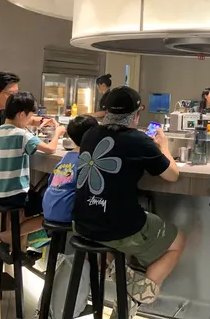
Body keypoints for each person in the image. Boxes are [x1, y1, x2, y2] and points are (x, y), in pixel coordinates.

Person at [73, 86, 185, 304]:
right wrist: (164, 147)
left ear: (106, 112)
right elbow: (172, 175)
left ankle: (115, 272)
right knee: (178, 240)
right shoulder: (139, 141)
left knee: (114, 237)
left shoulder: (89, 134)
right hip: (118, 228)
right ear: (135, 115)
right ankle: (134, 299)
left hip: (81, 223)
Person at [0, 92, 65, 250]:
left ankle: (17, 249)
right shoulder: (22, 135)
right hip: (14, 195)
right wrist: (58, 133)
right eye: (30, 117)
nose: (30, 120)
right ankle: (6, 237)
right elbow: (50, 149)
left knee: (28, 203)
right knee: (52, 209)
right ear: (22, 114)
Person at [42, 115, 98, 223]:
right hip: (67, 214)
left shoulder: (66, 158)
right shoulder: (87, 161)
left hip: (48, 209)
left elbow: (50, 182)